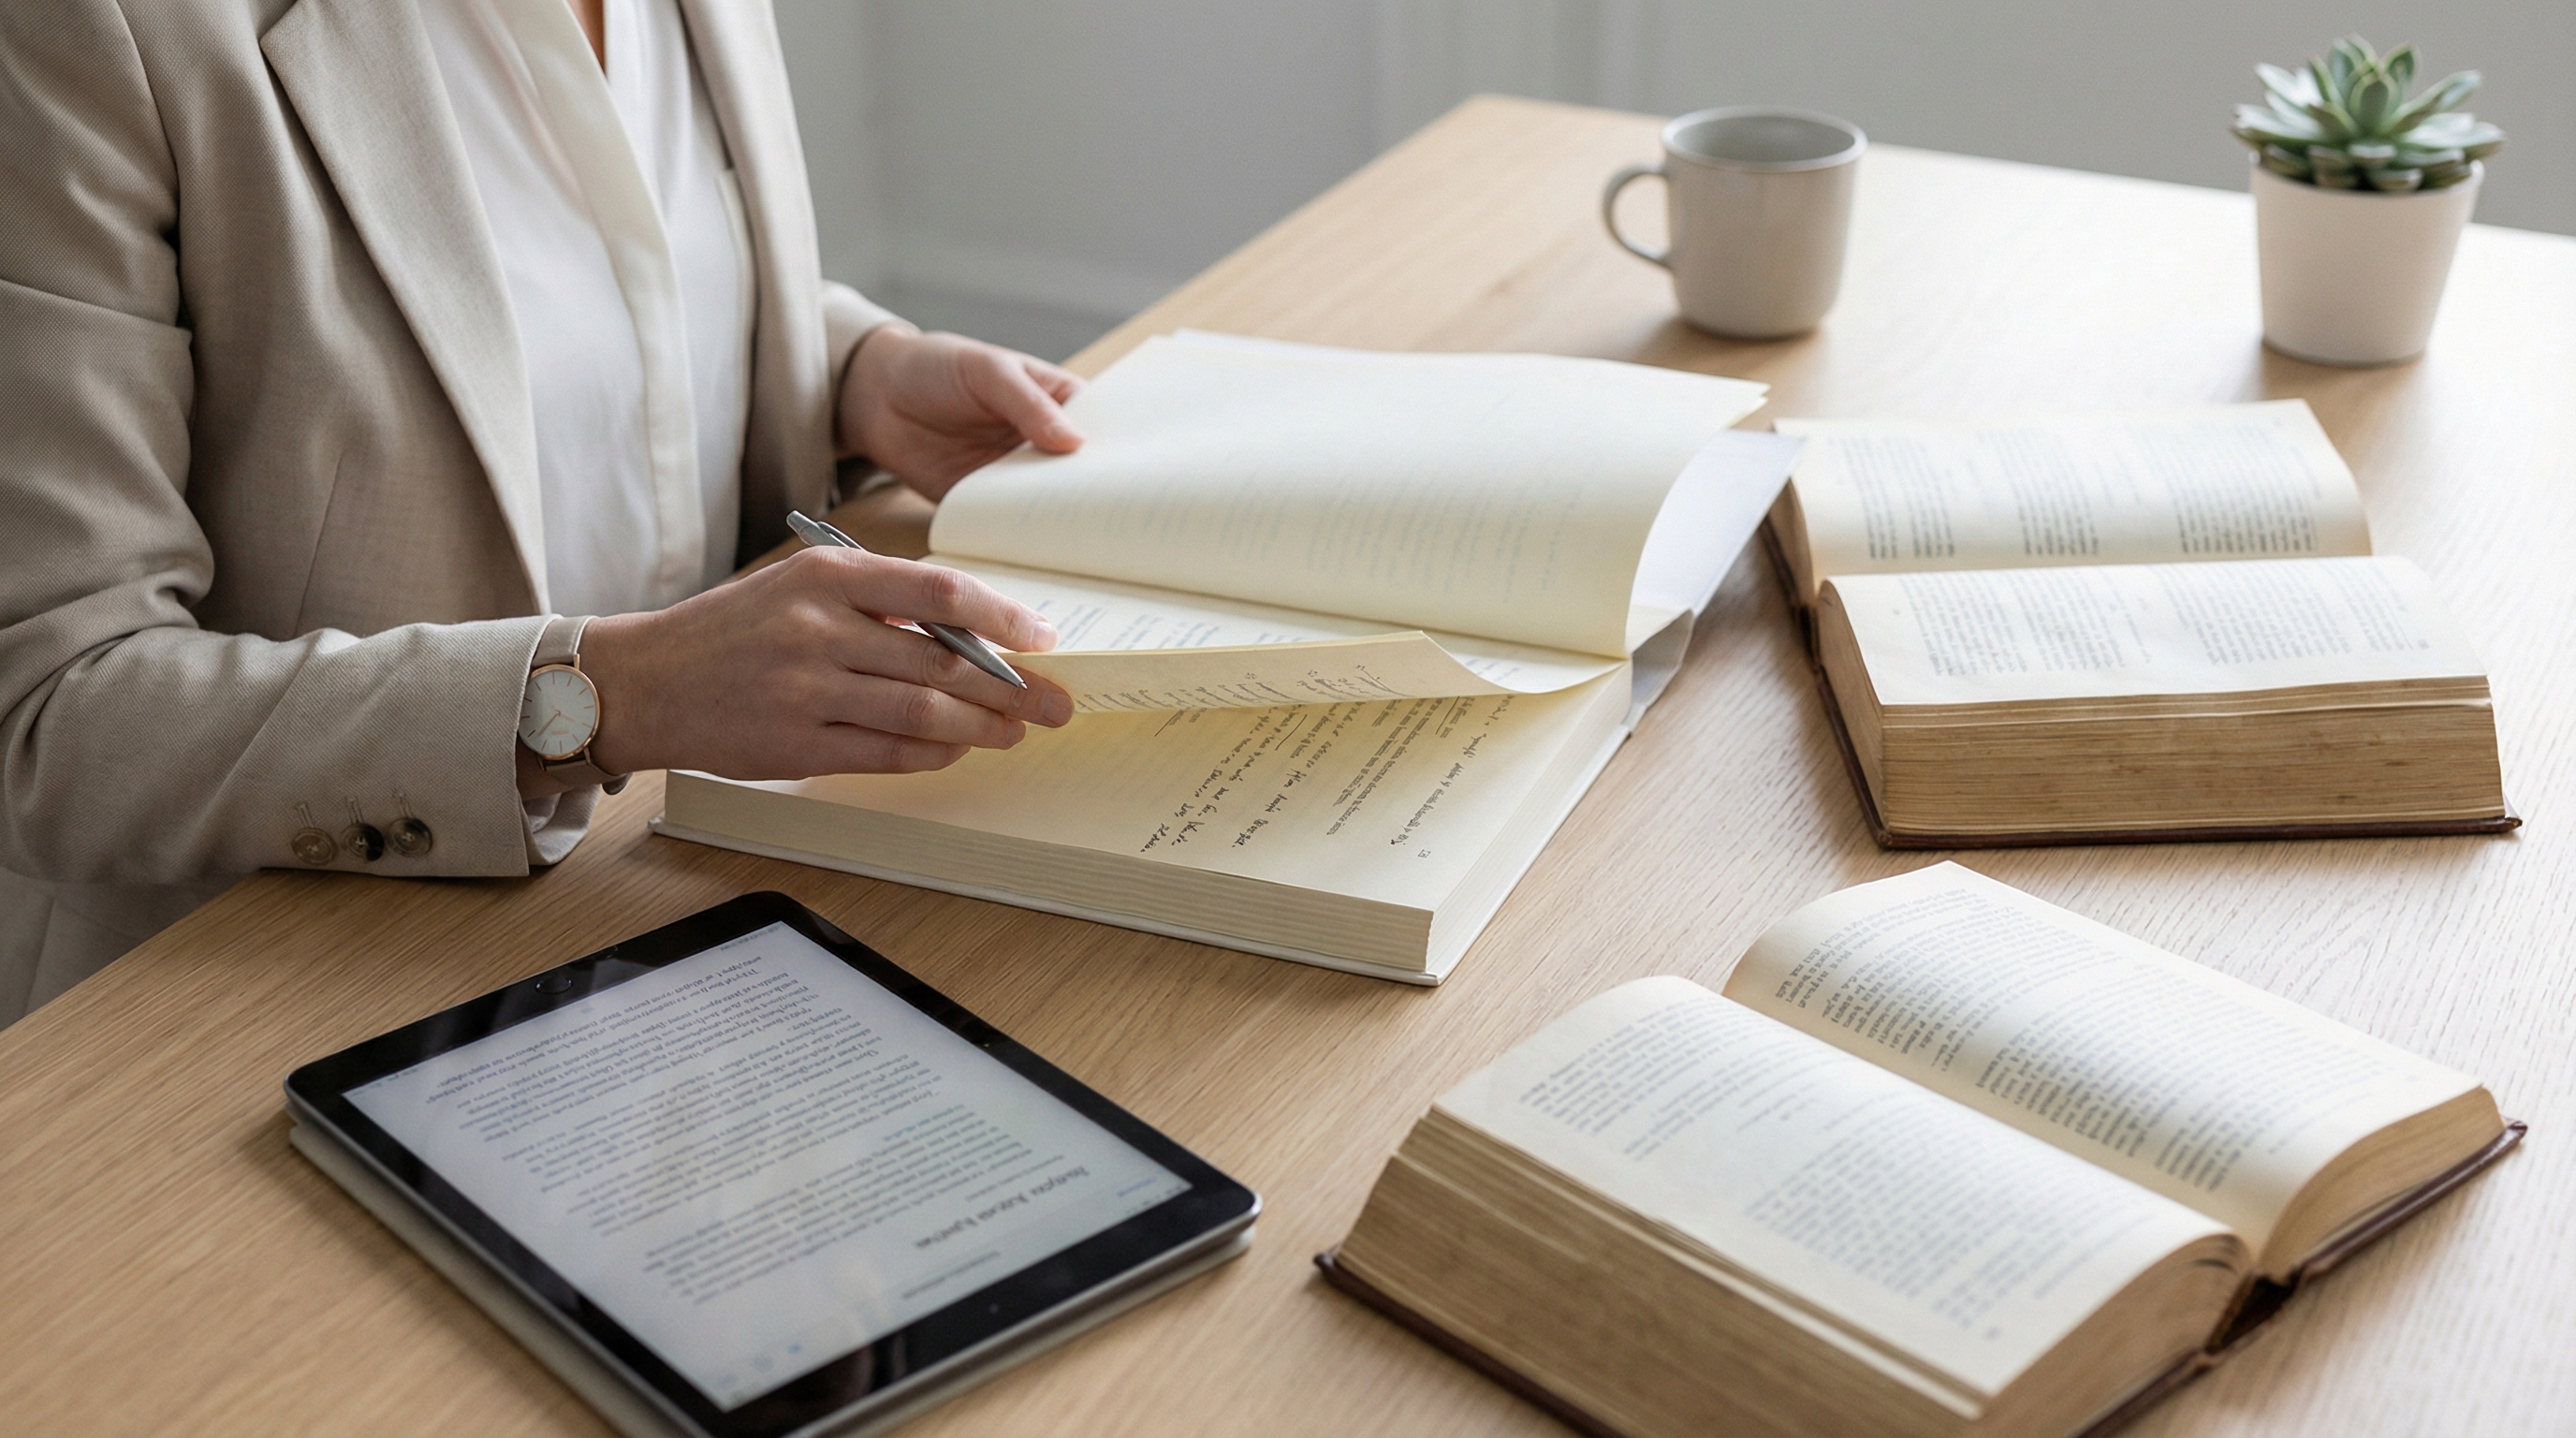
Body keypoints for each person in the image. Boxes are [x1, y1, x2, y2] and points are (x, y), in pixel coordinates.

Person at [0, 0, 1085, 1027]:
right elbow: (48, 720)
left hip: (689, 881)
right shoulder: (94, 27)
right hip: (279, 986)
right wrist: (612, 696)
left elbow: (605, 268)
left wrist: (847, 372)